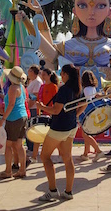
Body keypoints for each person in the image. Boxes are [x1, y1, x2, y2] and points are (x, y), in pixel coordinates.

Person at [36, 64, 82, 202]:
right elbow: (82, 105)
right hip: (71, 127)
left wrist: (42, 107)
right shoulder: (77, 88)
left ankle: (52, 190)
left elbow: (56, 110)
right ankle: (68, 192)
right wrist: (74, 116)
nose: (60, 75)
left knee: (45, 156)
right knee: (67, 158)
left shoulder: (64, 90)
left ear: (67, 74)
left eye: (62, 73)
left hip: (59, 127)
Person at [0, 66, 29, 179]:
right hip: (22, 116)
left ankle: (8, 171)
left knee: (8, 146)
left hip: (13, 118)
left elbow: (11, 104)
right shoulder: (21, 87)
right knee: (19, 145)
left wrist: (3, 119)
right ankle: (22, 169)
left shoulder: (12, 88)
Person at [31, 67, 59, 162]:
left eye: (44, 74)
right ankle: (34, 157)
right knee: (38, 136)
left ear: (49, 75)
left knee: (54, 137)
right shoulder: (42, 86)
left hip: (51, 114)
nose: (42, 76)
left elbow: (55, 103)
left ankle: (60, 155)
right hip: (42, 113)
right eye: (41, 74)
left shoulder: (53, 87)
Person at [79, 69, 104, 162]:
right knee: (86, 133)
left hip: (88, 113)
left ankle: (98, 150)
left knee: (85, 134)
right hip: (92, 113)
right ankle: (86, 153)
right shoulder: (92, 88)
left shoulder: (86, 89)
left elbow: (88, 101)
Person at [26, 64, 43, 158]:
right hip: (30, 107)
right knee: (29, 126)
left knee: (31, 127)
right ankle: (30, 147)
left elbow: (35, 97)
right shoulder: (33, 81)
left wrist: (28, 107)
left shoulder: (37, 82)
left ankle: (32, 148)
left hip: (32, 108)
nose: (28, 73)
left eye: (29, 71)